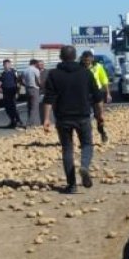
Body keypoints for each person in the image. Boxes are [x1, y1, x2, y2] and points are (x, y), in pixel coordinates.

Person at [43, 46, 104, 194]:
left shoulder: (53, 74)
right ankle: (84, 166)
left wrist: (46, 119)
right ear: (76, 56)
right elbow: (97, 97)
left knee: (67, 150)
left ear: (60, 57)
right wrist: (99, 115)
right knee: (87, 144)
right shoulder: (86, 73)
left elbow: (48, 99)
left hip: (63, 118)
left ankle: (71, 185)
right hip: (82, 116)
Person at [80, 51, 111, 142]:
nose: (87, 62)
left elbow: (104, 79)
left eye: (89, 60)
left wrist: (108, 93)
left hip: (97, 93)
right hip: (84, 94)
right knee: (85, 117)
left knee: (99, 117)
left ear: (92, 59)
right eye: (85, 60)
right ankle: (87, 138)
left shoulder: (98, 67)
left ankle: (102, 133)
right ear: (82, 59)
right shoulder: (79, 68)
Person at [0, 59, 21, 128]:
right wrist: (0, 87)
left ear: (10, 64)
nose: (6, 66)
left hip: (12, 92)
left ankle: (18, 121)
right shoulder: (3, 73)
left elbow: (18, 81)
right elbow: (2, 82)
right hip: (5, 93)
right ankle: (12, 121)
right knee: (7, 108)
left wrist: (17, 91)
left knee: (13, 107)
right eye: (5, 65)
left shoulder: (14, 72)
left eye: (8, 64)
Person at [21, 59, 43, 128]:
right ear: (35, 64)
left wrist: (25, 85)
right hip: (34, 89)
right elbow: (38, 81)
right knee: (34, 107)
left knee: (29, 106)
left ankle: (33, 123)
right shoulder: (35, 70)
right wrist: (41, 86)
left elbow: (21, 80)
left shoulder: (25, 70)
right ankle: (29, 124)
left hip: (27, 89)